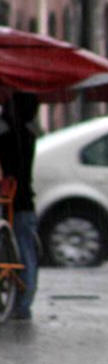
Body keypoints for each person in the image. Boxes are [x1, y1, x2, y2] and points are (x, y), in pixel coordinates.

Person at [0, 92, 40, 320]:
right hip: (25, 200)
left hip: (12, 200)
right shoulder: (29, 133)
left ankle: (21, 303)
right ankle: (24, 302)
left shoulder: (8, 133)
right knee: (26, 252)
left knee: (21, 250)